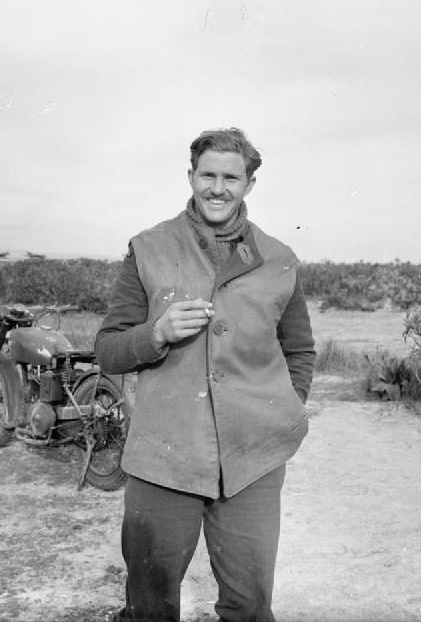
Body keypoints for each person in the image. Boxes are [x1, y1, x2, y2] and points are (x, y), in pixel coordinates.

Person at [94, 127, 316, 622]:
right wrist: (156, 333)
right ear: (191, 176)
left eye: (231, 178)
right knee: (149, 605)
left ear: (249, 184)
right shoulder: (149, 248)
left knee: (251, 606)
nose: (218, 188)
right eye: (208, 175)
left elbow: (298, 347)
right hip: (165, 457)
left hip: (252, 460)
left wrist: (287, 407)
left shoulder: (279, 259)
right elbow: (108, 351)